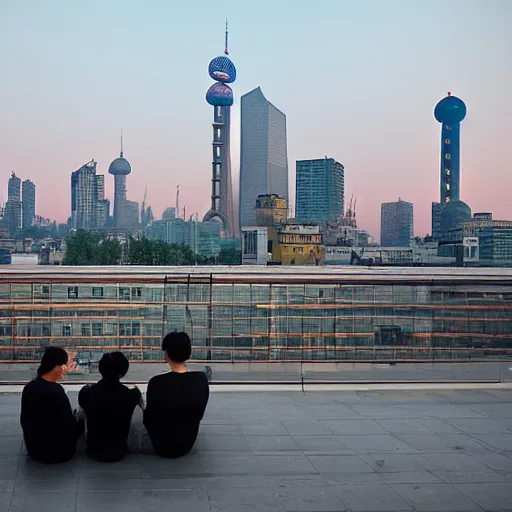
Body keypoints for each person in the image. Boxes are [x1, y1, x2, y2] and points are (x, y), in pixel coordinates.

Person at [143, 331, 210, 458]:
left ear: (166, 353)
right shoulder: (201, 379)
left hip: (160, 444)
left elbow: (149, 419)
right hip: (187, 442)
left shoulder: (157, 382)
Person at [20, 346, 85, 463]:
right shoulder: (56, 391)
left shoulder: (29, 387)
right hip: (59, 453)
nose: (67, 369)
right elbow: (68, 427)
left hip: (34, 450)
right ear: (57, 367)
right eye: (66, 364)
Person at [78, 352, 143, 462]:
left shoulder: (87, 392)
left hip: (94, 451)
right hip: (119, 452)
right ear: (122, 373)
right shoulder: (133, 394)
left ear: (100, 369)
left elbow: (81, 413)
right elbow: (143, 407)